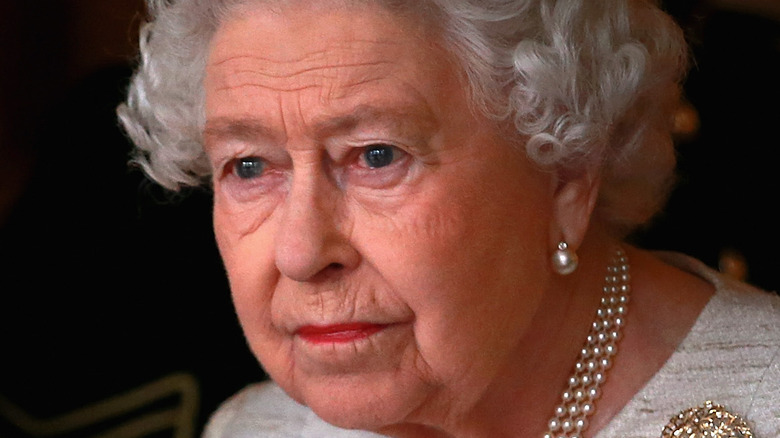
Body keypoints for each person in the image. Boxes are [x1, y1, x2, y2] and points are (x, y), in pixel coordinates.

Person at [117, 0, 780, 436]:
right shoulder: (255, 430)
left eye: (376, 156)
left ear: (567, 174)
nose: (298, 252)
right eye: (250, 167)